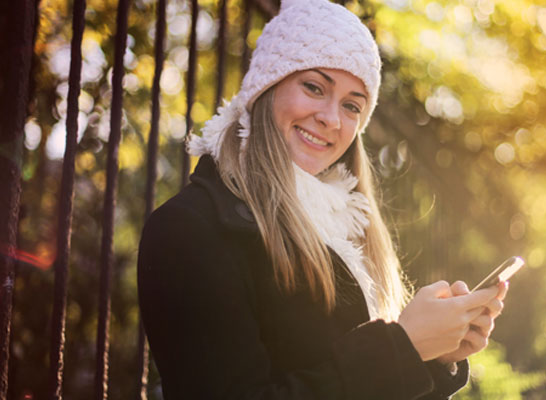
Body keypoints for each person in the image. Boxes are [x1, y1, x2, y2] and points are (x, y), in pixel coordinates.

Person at [137, 0, 508, 398]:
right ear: (267, 87)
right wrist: (402, 347)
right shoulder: (190, 229)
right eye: (314, 87)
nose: (332, 119)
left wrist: (430, 357)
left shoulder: (341, 230)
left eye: (352, 106)